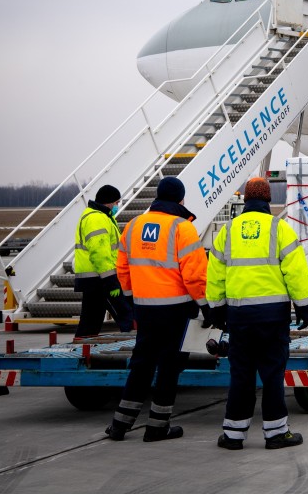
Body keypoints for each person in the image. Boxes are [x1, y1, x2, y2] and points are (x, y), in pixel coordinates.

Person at [207, 177, 308, 450]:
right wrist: (304, 307)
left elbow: (215, 274)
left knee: (241, 374)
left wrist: (217, 310)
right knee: (272, 374)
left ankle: (233, 435)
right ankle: (276, 433)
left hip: (239, 317)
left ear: (244, 200)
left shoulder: (227, 231)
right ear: (268, 200)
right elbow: (296, 272)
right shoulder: (280, 229)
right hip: (272, 317)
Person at [106, 176, 209, 443]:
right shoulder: (182, 228)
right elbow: (195, 275)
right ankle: (157, 427)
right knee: (169, 367)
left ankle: (120, 425)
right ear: (180, 199)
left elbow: (122, 268)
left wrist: (130, 298)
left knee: (141, 364)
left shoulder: (133, 225)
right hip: (175, 310)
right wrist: (205, 306)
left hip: (144, 308)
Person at [73, 184, 133, 339]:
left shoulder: (99, 216)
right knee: (125, 315)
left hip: (96, 278)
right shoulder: (97, 219)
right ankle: (134, 347)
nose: (117, 206)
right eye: (117, 203)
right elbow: (100, 253)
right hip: (101, 278)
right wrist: (111, 281)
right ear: (109, 202)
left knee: (91, 319)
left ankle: (83, 346)